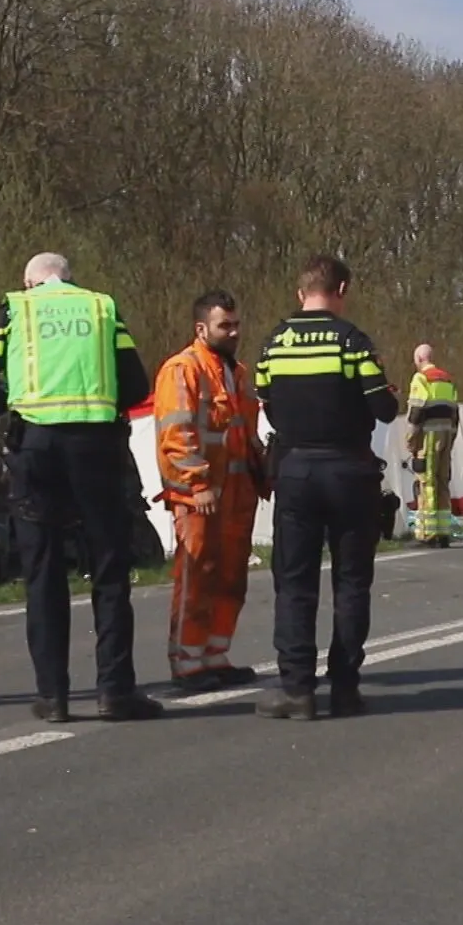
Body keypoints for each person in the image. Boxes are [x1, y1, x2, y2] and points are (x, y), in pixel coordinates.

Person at [0, 252, 163, 723]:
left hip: (35, 448)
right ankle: (115, 691)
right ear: (70, 279)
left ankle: (52, 696)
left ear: (29, 281)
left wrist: (12, 404)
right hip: (96, 448)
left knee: (43, 571)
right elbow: (136, 385)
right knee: (110, 570)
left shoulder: (14, 310)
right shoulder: (102, 308)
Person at [252, 255, 398, 720]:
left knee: (293, 583)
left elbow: (268, 405)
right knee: (351, 581)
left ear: (301, 293)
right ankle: (345, 687)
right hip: (349, 471)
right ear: (342, 290)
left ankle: (297, 690)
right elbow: (384, 410)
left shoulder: (275, 344)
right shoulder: (352, 341)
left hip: (294, 469)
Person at [154, 289, 268, 694]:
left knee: (231, 576)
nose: (234, 332)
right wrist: (197, 484)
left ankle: (216, 656)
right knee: (198, 576)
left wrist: (264, 471)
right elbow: (177, 433)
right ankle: (187, 661)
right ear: (201, 328)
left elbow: (244, 432)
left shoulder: (236, 372)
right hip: (200, 495)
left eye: (236, 324)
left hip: (236, 493)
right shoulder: (182, 369)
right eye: (226, 325)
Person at [404, 343, 460, 547]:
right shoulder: (447, 379)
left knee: (426, 483)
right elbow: (455, 413)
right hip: (447, 436)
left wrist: (411, 442)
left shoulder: (421, 379)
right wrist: (451, 440)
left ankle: (428, 534)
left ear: (419, 359)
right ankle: (444, 532)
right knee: (443, 481)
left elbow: (416, 412)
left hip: (428, 437)